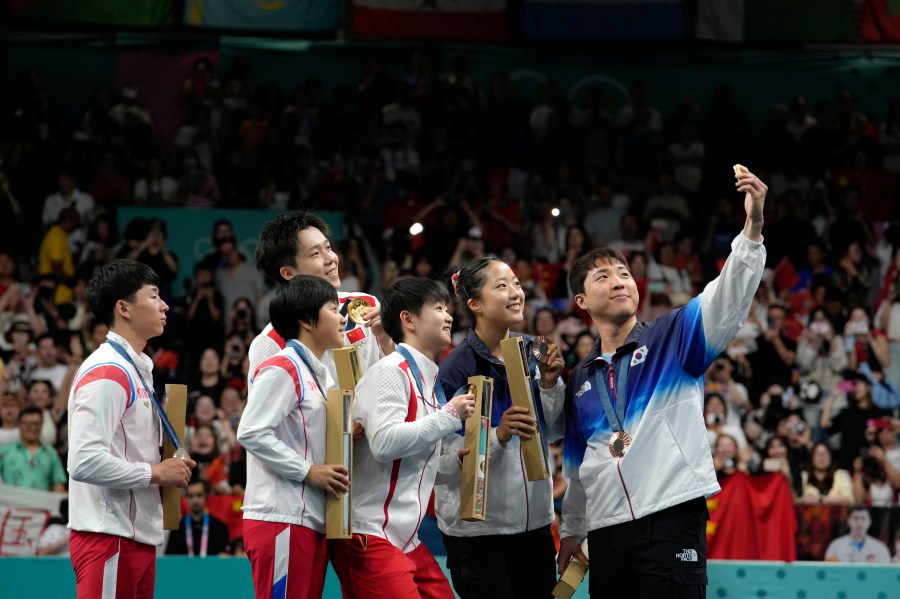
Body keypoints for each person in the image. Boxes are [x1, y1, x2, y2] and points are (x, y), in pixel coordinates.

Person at [558, 168, 768, 598]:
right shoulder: (581, 379)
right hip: (607, 531)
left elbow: (725, 298)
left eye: (623, 274)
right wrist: (571, 533)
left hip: (671, 516)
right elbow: (578, 470)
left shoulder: (672, 338)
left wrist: (752, 230)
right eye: (602, 277)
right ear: (581, 302)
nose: (618, 281)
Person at [329, 277, 476, 598]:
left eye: (448, 309)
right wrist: (449, 416)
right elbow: (384, 444)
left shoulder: (430, 383)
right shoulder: (390, 371)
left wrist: (454, 462)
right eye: (438, 308)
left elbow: (418, 462)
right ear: (408, 319)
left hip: (406, 541)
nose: (449, 316)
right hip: (369, 536)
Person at [435, 256, 566, 599]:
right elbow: (442, 459)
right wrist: (498, 435)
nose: (516, 293)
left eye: (517, 284)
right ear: (475, 304)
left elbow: (553, 430)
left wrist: (551, 385)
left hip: (534, 523)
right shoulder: (453, 370)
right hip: (479, 534)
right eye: (502, 286)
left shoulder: (534, 351)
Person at [67, 259, 195, 597]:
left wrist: (168, 465)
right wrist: (156, 472)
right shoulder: (108, 372)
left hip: (135, 537)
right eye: (153, 296)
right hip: (108, 536)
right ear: (123, 308)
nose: (164, 304)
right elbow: (83, 462)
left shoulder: (135, 369)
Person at [237, 275, 350, 599]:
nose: (343, 317)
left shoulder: (317, 374)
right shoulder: (283, 367)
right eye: (333, 308)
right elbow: (251, 431)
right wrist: (308, 471)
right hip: (281, 518)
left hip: (307, 519)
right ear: (306, 320)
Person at [248, 210, 389, 386]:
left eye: (328, 248)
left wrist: (387, 341)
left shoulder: (364, 306)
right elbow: (263, 410)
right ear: (288, 273)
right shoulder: (271, 342)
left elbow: (395, 381)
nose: (330, 258)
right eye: (315, 254)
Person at [0, 405, 67, 491]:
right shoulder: (4, 451)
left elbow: (58, 485)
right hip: (10, 503)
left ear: (42, 424)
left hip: (40, 503)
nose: (32, 427)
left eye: (36, 424)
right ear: (19, 424)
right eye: (27, 424)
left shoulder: (51, 453)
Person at [165, 479, 231, 556]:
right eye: (191, 496)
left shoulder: (219, 526)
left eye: (199, 495)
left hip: (213, 568)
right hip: (186, 568)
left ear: (206, 496)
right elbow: (170, 559)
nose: (195, 500)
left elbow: (227, 556)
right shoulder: (178, 529)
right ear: (185, 498)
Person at [824, 506, 891, 563]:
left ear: (869, 522)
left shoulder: (880, 547)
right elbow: (829, 570)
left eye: (863, 518)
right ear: (848, 521)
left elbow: (886, 572)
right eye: (856, 518)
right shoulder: (836, 545)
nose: (859, 522)